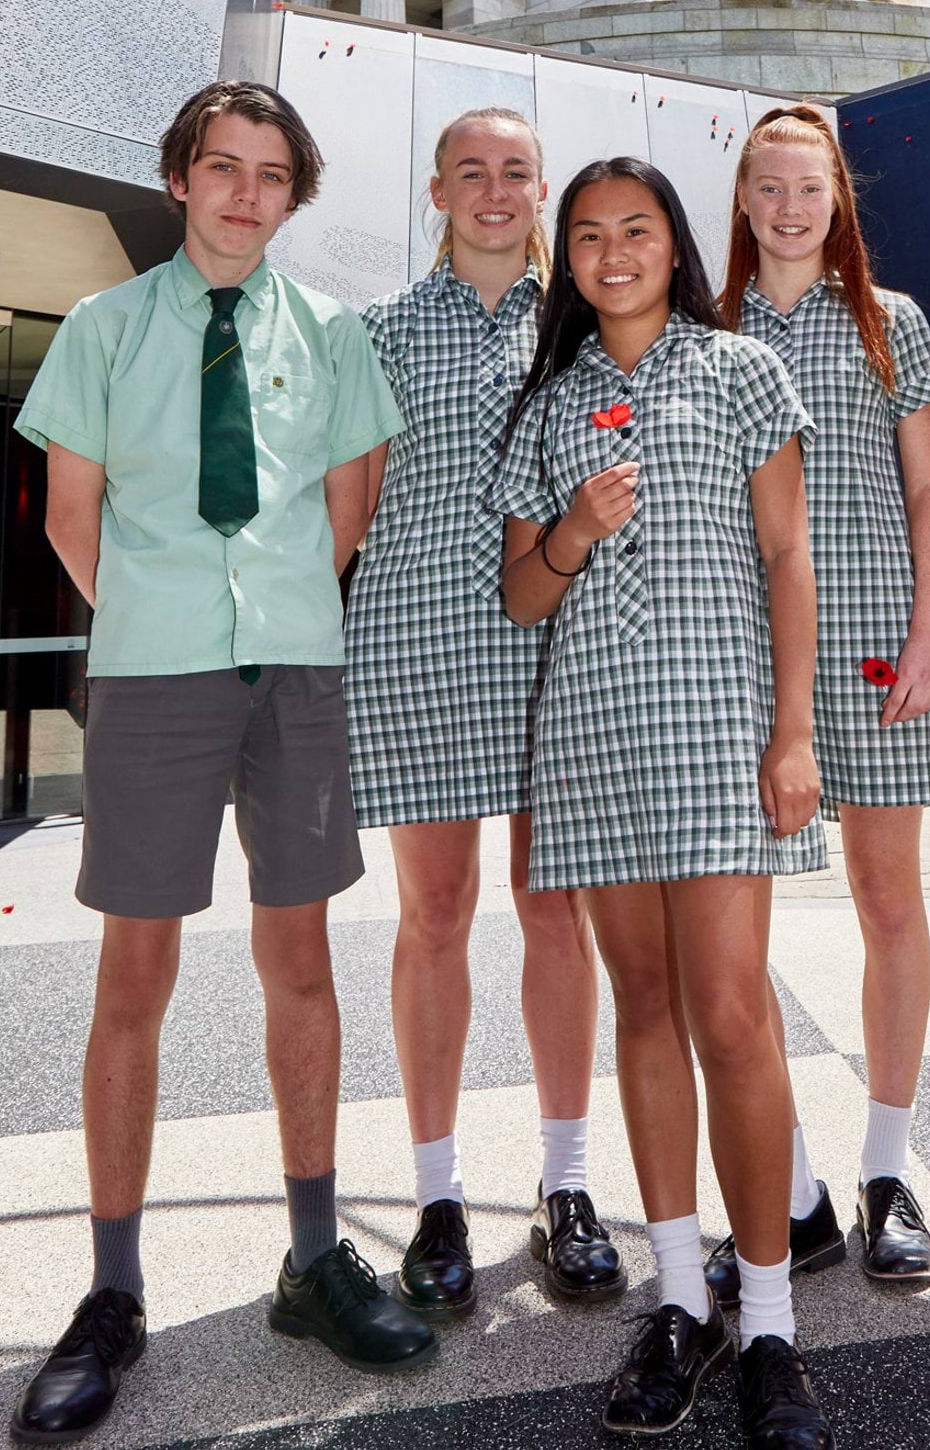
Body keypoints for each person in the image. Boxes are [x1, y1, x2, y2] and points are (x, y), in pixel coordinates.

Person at [9, 81, 433, 1447]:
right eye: (223, 167)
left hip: (297, 672)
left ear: (293, 195)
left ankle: (312, 1261)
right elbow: (72, 514)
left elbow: (348, 507)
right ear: (180, 177)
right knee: (134, 977)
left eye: (272, 174)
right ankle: (113, 1293)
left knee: (301, 959)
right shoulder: (103, 326)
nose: (246, 194)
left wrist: (273, 612)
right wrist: (162, 620)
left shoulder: (332, 335)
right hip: (154, 674)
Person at [493, 161, 835, 1450]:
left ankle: (772, 1321)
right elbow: (523, 595)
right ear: (569, 261)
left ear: (674, 246)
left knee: (733, 1015)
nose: (613, 251)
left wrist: (793, 733)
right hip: (592, 739)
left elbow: (788, 555)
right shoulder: (551, 405)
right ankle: (682, 1298)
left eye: (635, 229)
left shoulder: (741, 369)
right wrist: (574, 530)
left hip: (717, 732)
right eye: (587, 235)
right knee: (642, 1005)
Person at [344, 107, 622, 1316]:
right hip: (419, 646)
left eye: (515, 172)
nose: (495, 191)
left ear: (540, 189)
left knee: (556, 910)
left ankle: (567, 1185)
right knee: (435, 913)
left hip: (559, 645)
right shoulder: (379, 333)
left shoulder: (589, 328)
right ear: (438, 191)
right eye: (472, 172)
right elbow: (347, 511)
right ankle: (438, 1196)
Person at [714, 105, 930, 1293]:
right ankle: (791, 1192)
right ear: (742, 200)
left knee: (888, 898)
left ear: (838, 200)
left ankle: (886, 1171)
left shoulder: (892, 323)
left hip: (878, 643)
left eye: (809, 188)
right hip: (740, 657)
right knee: (734, 938)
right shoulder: (703, 326)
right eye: (769, 188)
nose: (790, 208)